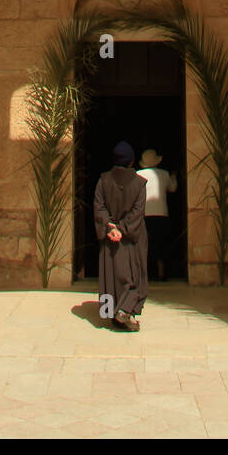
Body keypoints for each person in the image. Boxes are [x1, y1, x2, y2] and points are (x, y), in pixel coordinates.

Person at [93, 141, 148, 331]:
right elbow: (138, 211)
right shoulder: (139, 183)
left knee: (111, 275)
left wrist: (110, 227)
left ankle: (112, 313)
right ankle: (125, 311)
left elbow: (99, 207)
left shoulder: (103, 181)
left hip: (110, 238)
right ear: (131, 161)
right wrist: (123, 229)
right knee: (133, 273)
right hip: (132, 238)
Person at [136, 148, 178, 281]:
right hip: (161, 214)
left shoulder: (138, 175)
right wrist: (174, 177)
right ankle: (161, 273)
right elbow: (172, 188)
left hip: (144, 214)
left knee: (144, 244)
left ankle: (144, 274)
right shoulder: (164, 174)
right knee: (160, 243)